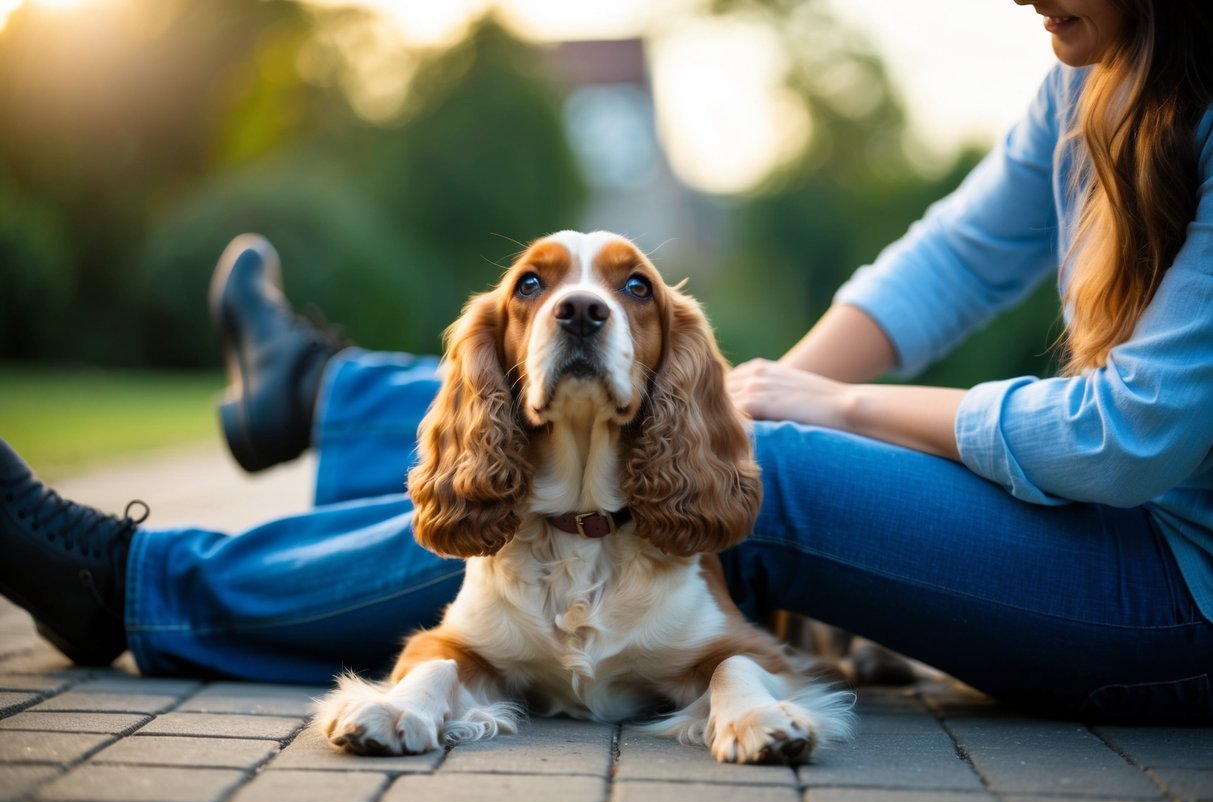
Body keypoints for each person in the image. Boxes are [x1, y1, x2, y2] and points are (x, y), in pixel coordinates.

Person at [2, 0, 1211, 722]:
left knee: (753, 487)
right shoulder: (1090, 78)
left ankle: (134, 582)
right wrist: (728, 402)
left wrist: (824, 409)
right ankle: (319, 396)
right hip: (1123, 547)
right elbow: (945, 265)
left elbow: (1130, 435)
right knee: (697, 452)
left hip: (1174, 605)